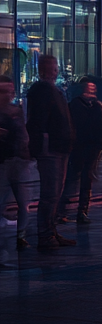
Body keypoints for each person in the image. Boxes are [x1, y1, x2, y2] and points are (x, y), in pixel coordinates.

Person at [26, 55, 76, 251]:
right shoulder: (43, 90)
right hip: (52, 147)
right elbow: (37, 121)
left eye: (55, 68)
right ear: (44, 70)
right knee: (51, 193)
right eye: (52, 68)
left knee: (54, 192)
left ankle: (50, 232)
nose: (55, 72)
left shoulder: (50, 90)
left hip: (57, 146)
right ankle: (46, 234)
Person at [57, 77, 102, 224]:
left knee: (77, 179)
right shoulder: (94, 107)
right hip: (85, 147)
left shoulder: (78, 106)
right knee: (81, 179)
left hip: (83, 147)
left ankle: (67, 211)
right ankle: (76, 211)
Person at [0, 73, 31, 250]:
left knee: (23, 202)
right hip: (4, 162)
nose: (8, 95)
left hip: (18, 162)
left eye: (10, 91)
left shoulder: (16, 111)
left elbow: (22, 134)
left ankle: (21, 235)